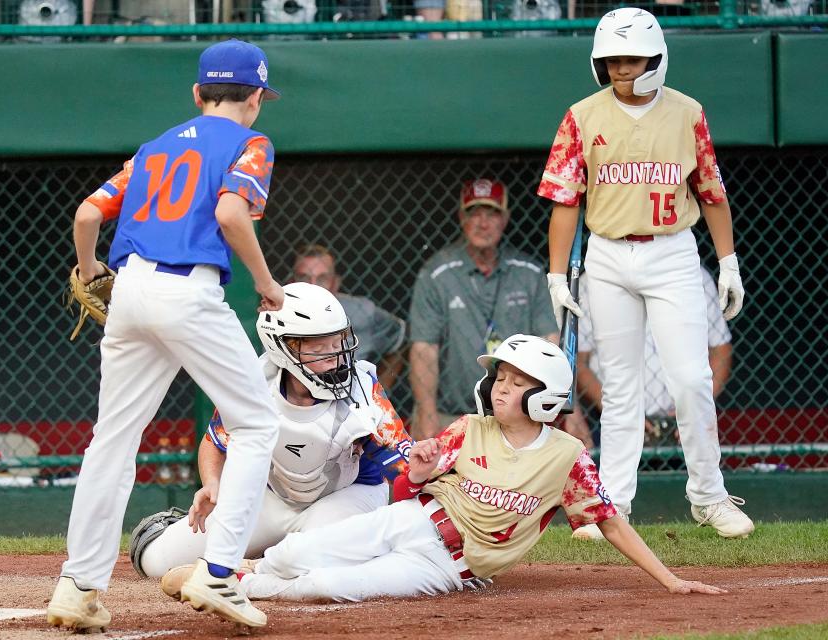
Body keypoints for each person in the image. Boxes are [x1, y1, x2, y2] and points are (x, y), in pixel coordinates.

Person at [184, 335, 725, 602]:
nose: (500, 388)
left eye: (516, 384)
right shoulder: (469, 427)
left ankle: (237, 589)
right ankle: (234, 570)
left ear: (546, 400)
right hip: (415, 522)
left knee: (332, 586)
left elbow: (609, 521)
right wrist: (419, 468)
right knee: (298, 553)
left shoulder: (567, 458)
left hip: (451, 569)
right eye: (500, 380)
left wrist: (670, 581)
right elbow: (410, 482)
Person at [46, 39, 285, 632]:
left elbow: (85, 214)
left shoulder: (153, 149)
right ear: (255, 97)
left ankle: (78, 587)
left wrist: (89, 269)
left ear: (198, 94)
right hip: (187, 291)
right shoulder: (251, 141)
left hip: (129, 289)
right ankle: (220, 572)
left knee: (112, 440)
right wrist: (266, 281)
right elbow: (231, 216)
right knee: (256, 425)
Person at [537, 8, 753, 538]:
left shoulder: (687, 112)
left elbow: (711, 191)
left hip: (672, 252)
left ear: (656, 58)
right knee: (621, 385)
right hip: (608, 255)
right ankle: (613, 506)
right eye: (610, 60)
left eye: (630, 59)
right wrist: (556, 276)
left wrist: (728, 263)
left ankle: (709, 496)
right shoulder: (582, 115)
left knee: (690, 378)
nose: (619, 69)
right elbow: (565, 200)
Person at [129, 283, 413, 588]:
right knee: (155, 562)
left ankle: (256, 567)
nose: (334, 357)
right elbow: (215, 441)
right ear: (283, 347)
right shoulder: (253, 384)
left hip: (347, 495)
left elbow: (403, 465)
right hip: (273, 495)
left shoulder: (363, 389)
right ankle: (195, 536)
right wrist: (213, 484)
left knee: (314, 562)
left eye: (337, 343)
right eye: (318, 348)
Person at [571, 266, 733, 540]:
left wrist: (692, 412)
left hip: (680, 424)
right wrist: (615, 408)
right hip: (616, 419)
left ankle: (712, 502)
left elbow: (721, 349)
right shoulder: (595, 280)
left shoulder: (690, 272)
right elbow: (581, 363)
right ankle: (611, 511)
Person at [409, 178, 557, 441]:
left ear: (505, 219)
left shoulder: (529, 272)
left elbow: (550, 343)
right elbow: (424, 350)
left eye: (492, 213)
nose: (483, 223)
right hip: (452, 413)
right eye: (474, 213)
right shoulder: (437, 274)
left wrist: (561, 408)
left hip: (518, 414)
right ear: (461, 218)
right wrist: (427, 414)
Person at [291, 244, 406, 389]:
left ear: (335, 283)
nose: (313, 286)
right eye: (304, 278)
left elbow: (400, 339)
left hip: (350, 404)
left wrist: (378, 395)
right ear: (292, 281)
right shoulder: (275, 316)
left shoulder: (362, 312)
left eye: (322, 279)